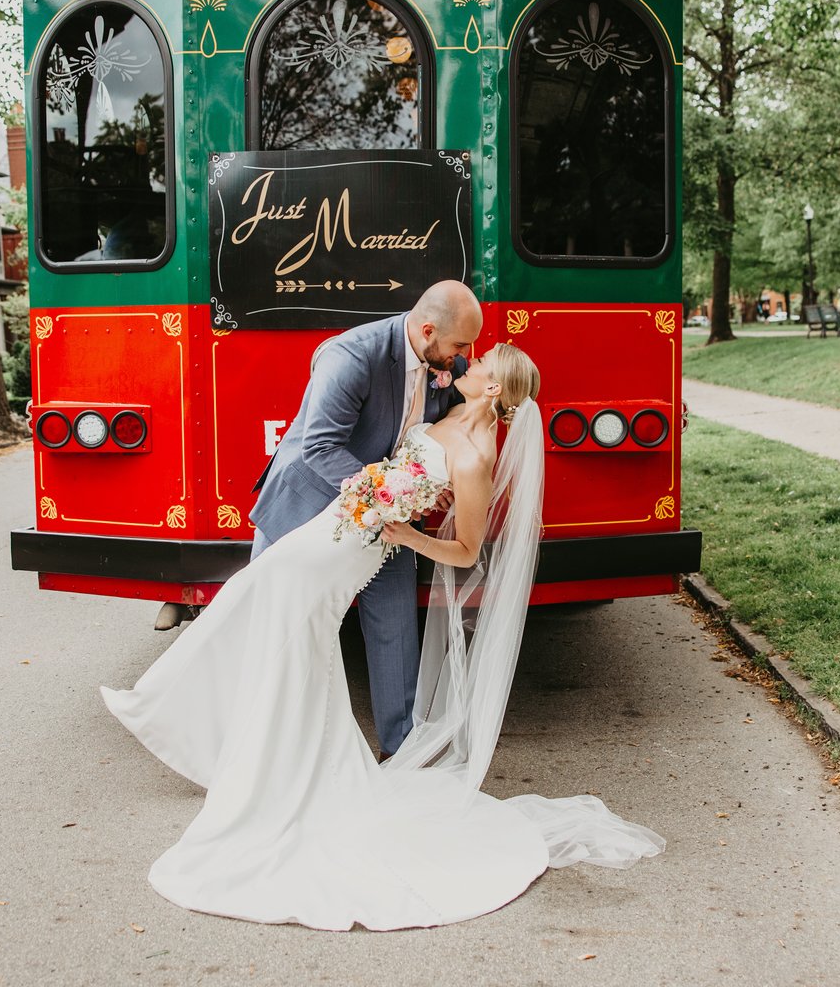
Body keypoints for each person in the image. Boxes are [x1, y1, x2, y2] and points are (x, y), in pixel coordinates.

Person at [102, 343, 663, 931]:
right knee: (267, 605)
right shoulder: (449, 412)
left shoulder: (475, 456)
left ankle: (227, 740)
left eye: (483, 365)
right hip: (337, 526)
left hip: (359, 544)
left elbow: (468, 550)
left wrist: (406, 532)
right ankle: (237, 740)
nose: (470, 364)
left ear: (494, 390)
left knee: (278, 610)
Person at [250, 279, 482, 758]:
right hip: (309, 507)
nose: (465, 355)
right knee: (278, 629)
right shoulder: (354, 355)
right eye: (460, 344)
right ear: (426, 330)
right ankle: (264, 745)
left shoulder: (447, 366)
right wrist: (388, 494)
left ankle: (401, 750)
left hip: (386, 516)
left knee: (395, 624)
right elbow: (319, 446)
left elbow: (456, 425)